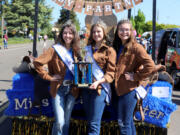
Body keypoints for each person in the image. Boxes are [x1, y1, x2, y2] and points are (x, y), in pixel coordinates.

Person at [33, 21, 79, 135]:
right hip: (59, 88)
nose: (67, 36)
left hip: (73, 89)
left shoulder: (77, 50)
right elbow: (37, 63)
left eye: (70, 33)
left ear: (74, 35)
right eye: (65, 33)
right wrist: (49, 77)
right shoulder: (54, 49)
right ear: (61, 35)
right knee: (60, 122)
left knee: (66, 122)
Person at [112, 19, 157, 135]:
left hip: (129, 90)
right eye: (121, 29)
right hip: (118, 89)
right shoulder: (117, 46)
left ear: (131, 31)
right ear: (117, 31)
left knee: (124, 123)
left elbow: (150, 65)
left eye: (127, 30)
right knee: (128, 122)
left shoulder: (136, 47)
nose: (124, 32)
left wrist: (136, 76)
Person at [81, 20, 116, 135]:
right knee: (89, 121)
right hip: (86, 88)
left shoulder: (110, 51)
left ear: (104, 33)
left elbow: (111, 74)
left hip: (100, 89)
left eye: (99, 31)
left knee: (94, 124)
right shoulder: (86, 49)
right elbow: (82, 67)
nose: (96, 34)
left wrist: (98, 82)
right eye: (94, 32)